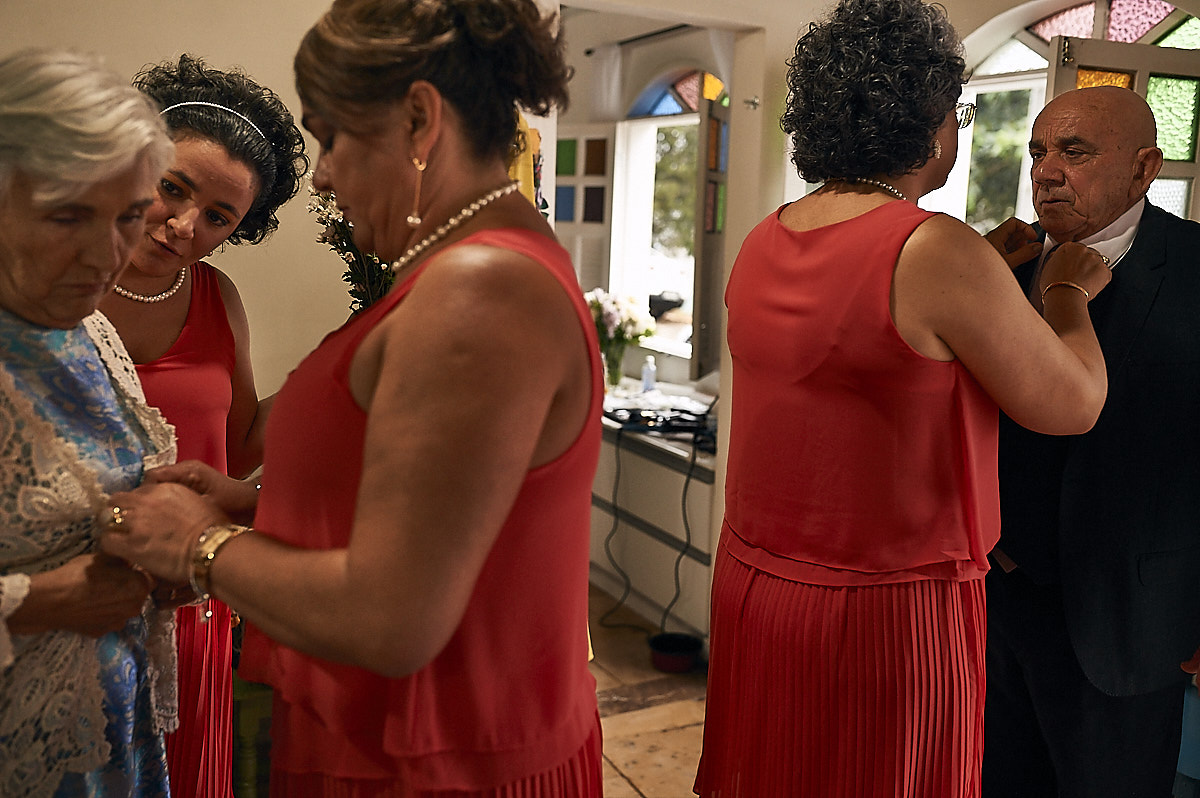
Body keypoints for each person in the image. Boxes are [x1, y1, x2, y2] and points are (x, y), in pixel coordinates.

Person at [99, 0, 602, 795]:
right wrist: (247, 501)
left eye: (331, 135)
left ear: (418, 120)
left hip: (439, 758)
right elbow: (426, 505)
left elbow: (393, 616)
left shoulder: (481, 287)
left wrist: (200, 544)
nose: (324, 174)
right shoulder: (465, 266)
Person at [693, 1, 1115, 795]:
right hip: (882, 609)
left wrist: (985, 261)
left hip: (760, 588)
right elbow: (1074, 403)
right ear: (929, 122)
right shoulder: (935, 249)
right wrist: (1066, 295)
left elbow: (866, 345)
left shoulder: (768, 236)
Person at [96, 53, 307, 798]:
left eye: (220, 217)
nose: (184, 226)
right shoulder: (49, 279)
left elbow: (243, 449)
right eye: (171, 189)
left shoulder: (217, 298)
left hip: (187, 605)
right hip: (70, 601)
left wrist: (339, 371)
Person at [982, 85, 1200, 798]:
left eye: (1074, 152)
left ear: (1144, 170)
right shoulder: (991, 266)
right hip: (996, 609)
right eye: (1039, 151)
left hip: (1134, 622)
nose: (1046, 171)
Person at [0, 48, 176, 797]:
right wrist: (38, 604)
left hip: (106, 739)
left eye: (131, 218)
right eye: (67, 215)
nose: (107, 256)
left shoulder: (89, 331)